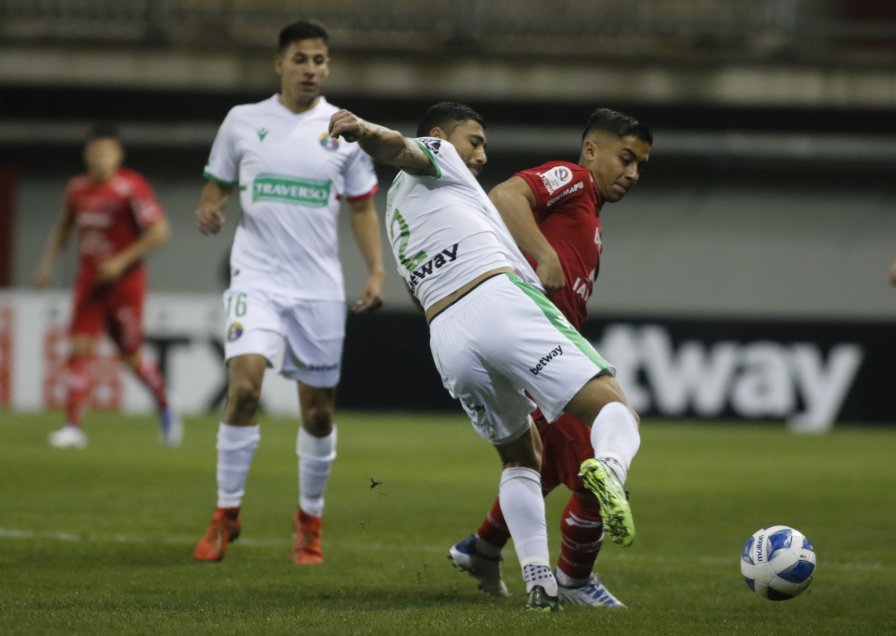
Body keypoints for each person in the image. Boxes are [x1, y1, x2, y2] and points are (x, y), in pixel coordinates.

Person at [329, 102, 642, 611]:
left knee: (522, 458)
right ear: (440, 136)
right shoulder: (439, 156)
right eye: (474, 142)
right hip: (498, 301)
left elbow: (416, 292)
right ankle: (608, 471)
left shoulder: (399, 216)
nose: (481, 155)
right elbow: (397, 146)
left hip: (446, 334)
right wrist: (362, 130)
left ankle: (538, 581)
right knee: (614, 410)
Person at [192, 20, 385, 566]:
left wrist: (377, 271)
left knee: (318, 414)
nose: (311, 69)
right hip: (255, 277)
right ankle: (226, 513)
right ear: (280, 64)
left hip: (317, 287)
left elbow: (362, 208)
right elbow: (216, 186)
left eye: (320, 60)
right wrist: (209, 207)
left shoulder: (345, 130)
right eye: (301, 59)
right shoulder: (242, 121)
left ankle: (309, 520)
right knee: (243, 390)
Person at [447, 108, 652, 608]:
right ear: (591, 150)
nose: (632, 173)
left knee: (548, 461)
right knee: (599, 457)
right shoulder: (573, 179)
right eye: (626, 158)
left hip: (544, 347)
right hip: (532, 347)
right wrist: (544, 253)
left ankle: (482, 547)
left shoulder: (591, 217)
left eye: (640, 165)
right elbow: (505, 195)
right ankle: (574, 578)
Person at [33, 123, 181, 450]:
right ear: (86, 156)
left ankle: (165, 403)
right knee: (77, 348)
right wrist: (47, 263)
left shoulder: (130, 188)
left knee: (131, 357)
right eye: (95, 153)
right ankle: (73, 427)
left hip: (124, 283)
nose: (100, 159)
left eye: (106, 153)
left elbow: (160, 232)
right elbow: (64, 227)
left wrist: (120, 261)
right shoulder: (77, 189)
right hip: (89, 281)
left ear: (118, 155)